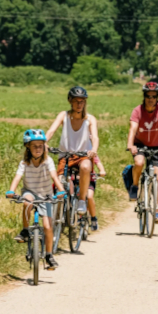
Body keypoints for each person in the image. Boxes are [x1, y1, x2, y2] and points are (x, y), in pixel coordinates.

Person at [5, 129, 66, 271]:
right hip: (30, 192)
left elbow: (54, 177)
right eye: (34, 146)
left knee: (47, 227)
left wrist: (61, 190)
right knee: (27, 201)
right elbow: (17, 178)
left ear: (44, 146)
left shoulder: (48, 161)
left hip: (46, 195)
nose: (38, 149)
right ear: (28, 147)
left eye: (41, 145)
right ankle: (26, 230)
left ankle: (49, 255)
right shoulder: (24, 163)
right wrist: (11, 191)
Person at [46, 86, 103, 229]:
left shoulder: (90, 119)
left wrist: (94, 150)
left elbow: (95, 137)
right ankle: (55, 222)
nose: (79, 104)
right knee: (59, 185)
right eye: (76, 101)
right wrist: (44, 142)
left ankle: (82, 201)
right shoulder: (63, 116)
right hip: (65, 156)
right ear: (70, 101)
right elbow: (51, 130)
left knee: (85, 167)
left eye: (82, 101)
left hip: (83, 155)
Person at [126, 81, 158, 225]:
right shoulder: (137, 111)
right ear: (144, 96)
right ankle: (135, 186)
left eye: (154, 96)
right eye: (148, 96)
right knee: (139, 162)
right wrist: (130, 145)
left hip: (156, 146)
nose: (151, 99)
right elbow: (132, 129)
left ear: (157, 97)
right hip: (140, 145)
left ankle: (156, 211)